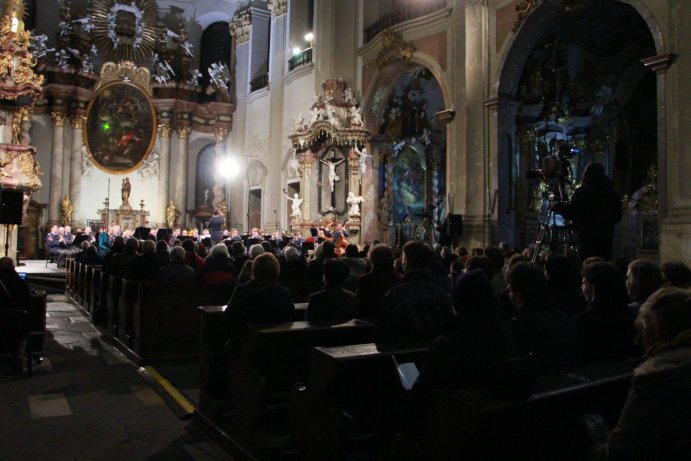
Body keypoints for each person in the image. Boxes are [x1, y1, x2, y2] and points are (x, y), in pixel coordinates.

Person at [592, 287, 691, 460]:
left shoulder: (656, 381)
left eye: (642, 330)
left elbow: (618, 453)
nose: (638, 340)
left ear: (653, 330)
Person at [375, 240, 455, 343]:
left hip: (404, 355)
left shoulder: (396, 295)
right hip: (438, 353)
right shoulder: (441, 292)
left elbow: (381, 333)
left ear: (405, 263)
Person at [552, 162, 622, 261]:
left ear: (586, 174)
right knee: (603, 264)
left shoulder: (583, 191)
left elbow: (573, 211)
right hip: (606, 237)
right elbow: (618, 216)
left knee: (588, 264)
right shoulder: (612, 193)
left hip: (587, 236)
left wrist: (558, 206)